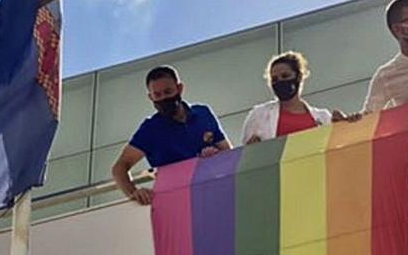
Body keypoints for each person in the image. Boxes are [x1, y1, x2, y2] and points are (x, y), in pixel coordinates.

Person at [111, 65, 231, 205]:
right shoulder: (150, 130)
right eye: (157, 95)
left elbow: (228, 152)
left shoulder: (203, 114)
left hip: (216, 192)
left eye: (168, 92)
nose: (163, 98)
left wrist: (216, 155)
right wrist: (134, 193)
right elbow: (119, 167)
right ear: (151, 97)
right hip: (176, 202)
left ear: (179, 89)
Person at [241, 51, 350, 144]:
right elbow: (245, 158)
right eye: (274, 79)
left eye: (285, 76)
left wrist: (344, 126)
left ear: (299, 77)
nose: (280, 81)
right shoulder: (259, 115)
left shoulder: (324, 117)